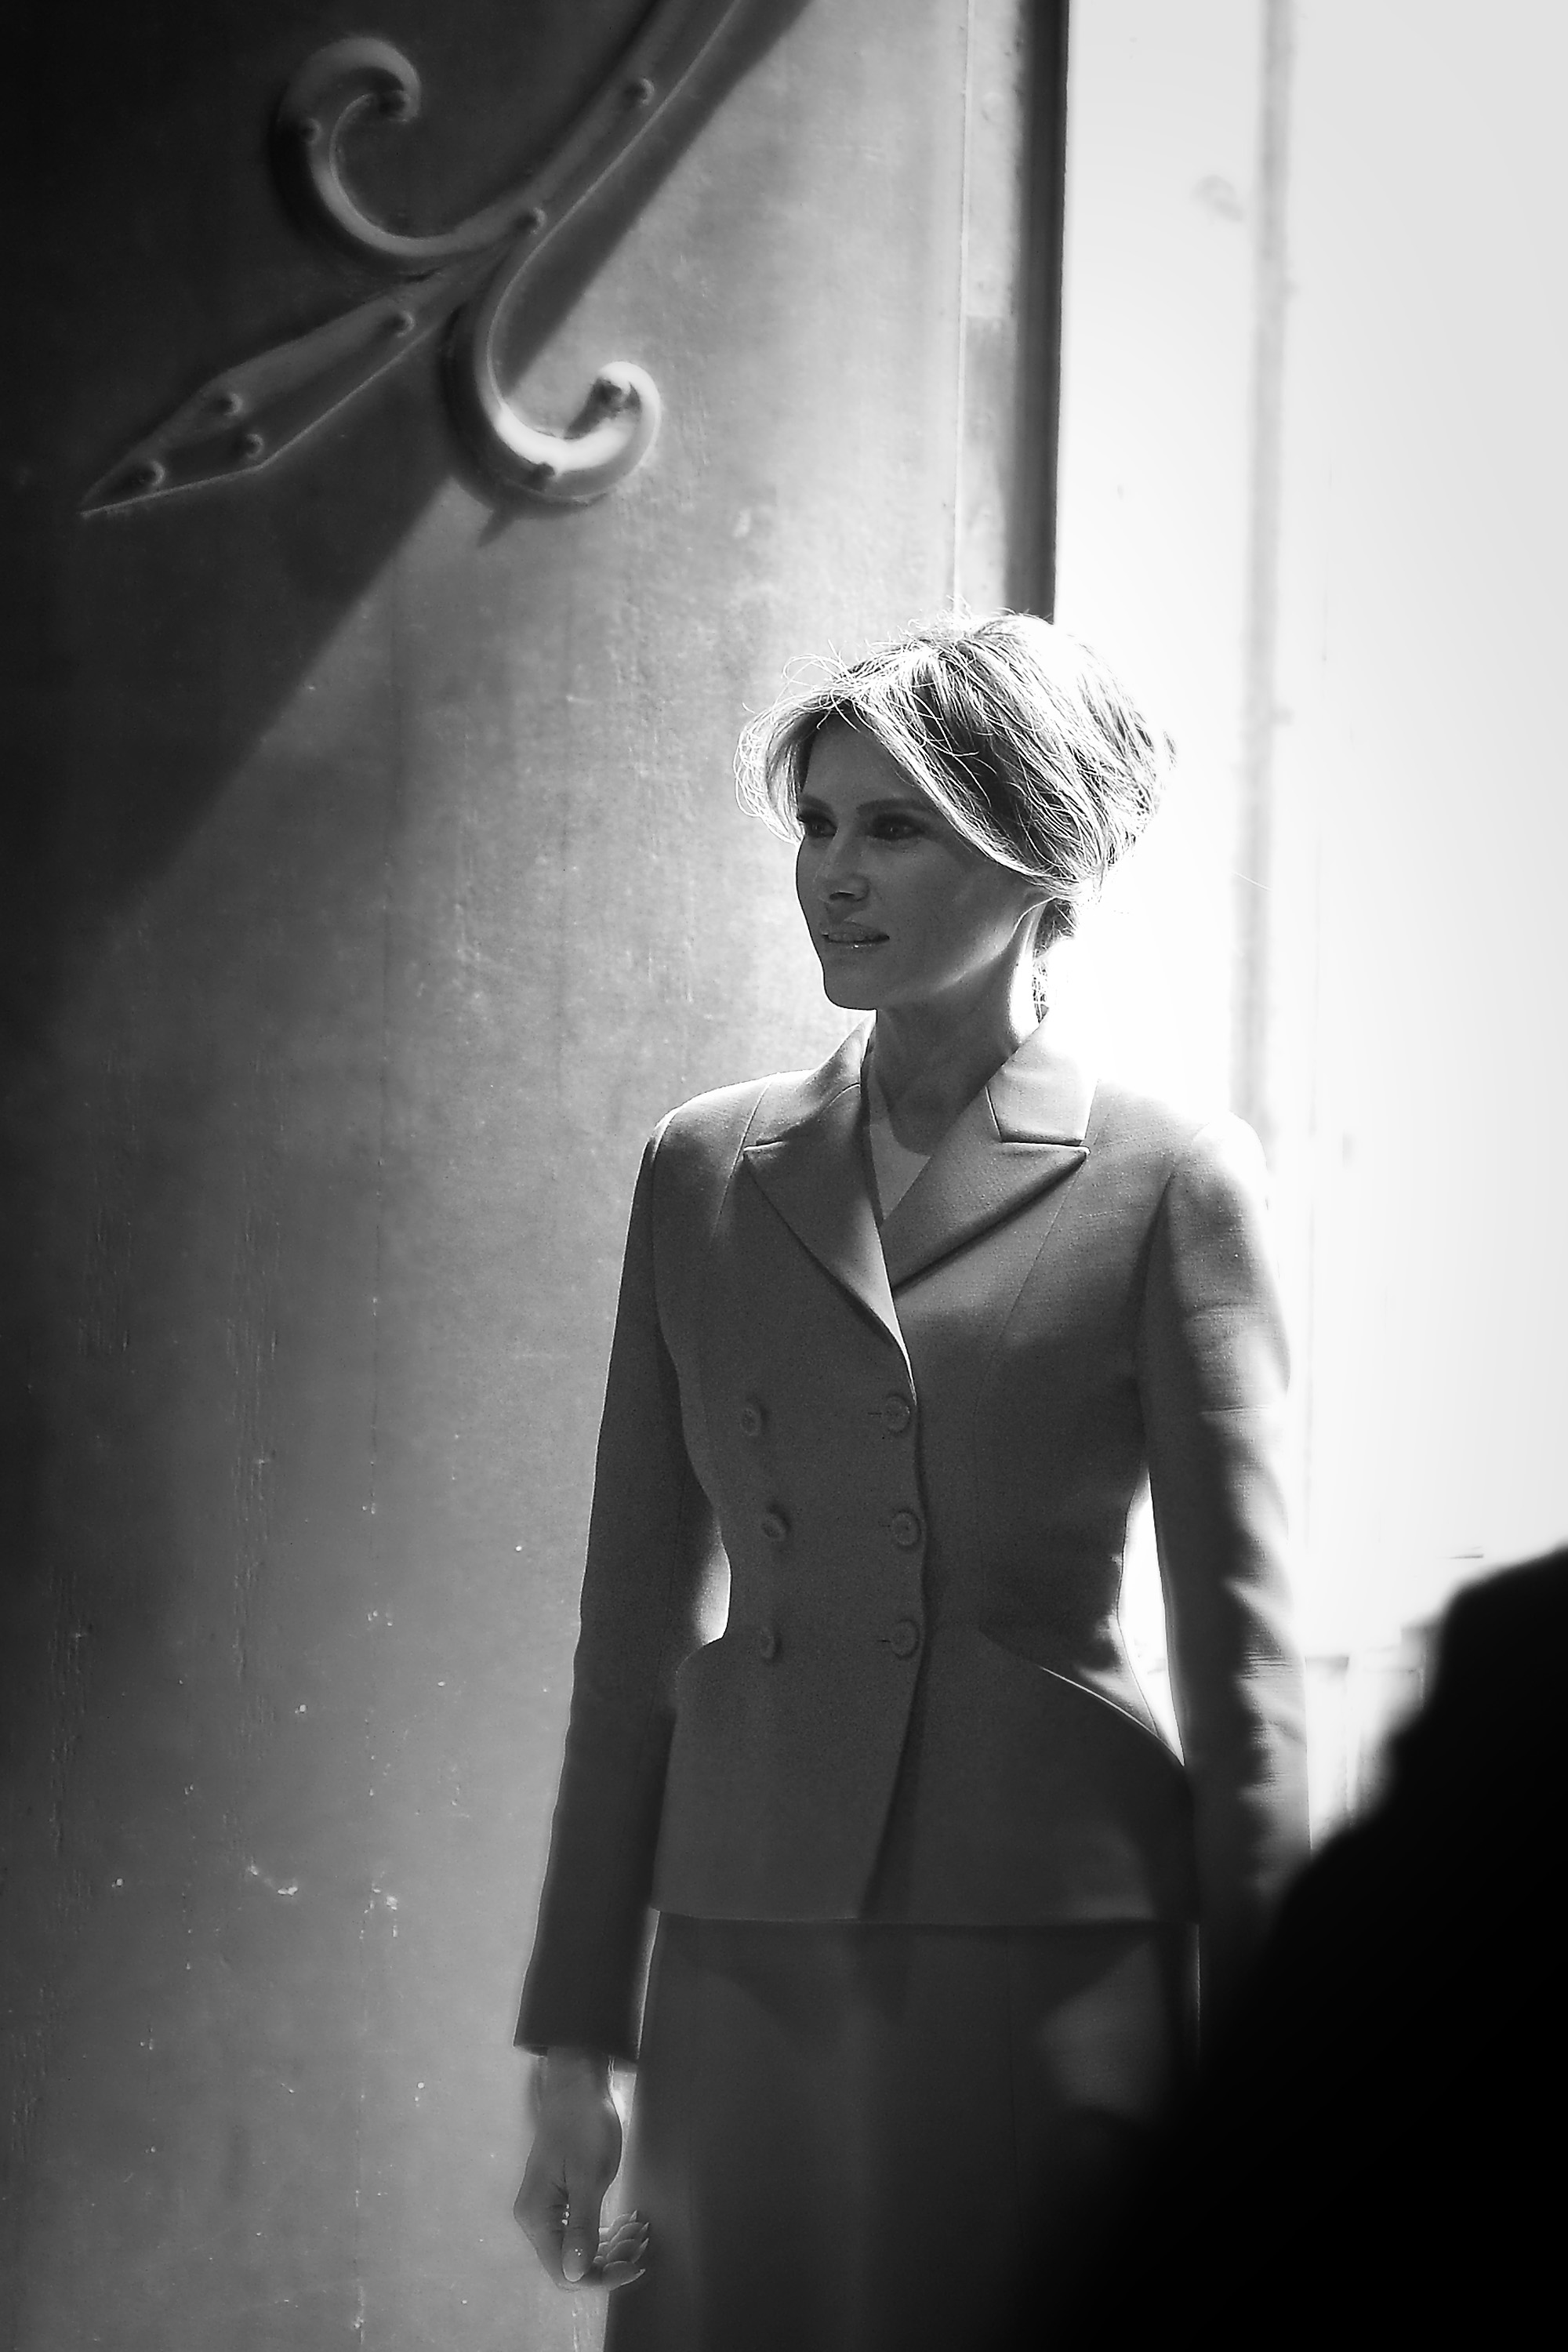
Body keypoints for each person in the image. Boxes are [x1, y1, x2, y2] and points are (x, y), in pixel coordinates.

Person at [512, 611, 1309, 2350]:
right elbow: (630, 1630)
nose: (832, 877)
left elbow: (1248, 1678)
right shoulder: (706, 1167)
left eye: (895, 829)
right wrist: (574, 2038)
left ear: (1037, 855)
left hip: (1044, 1941)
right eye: (815, 823)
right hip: (743, 1931)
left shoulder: (1169, 1176)